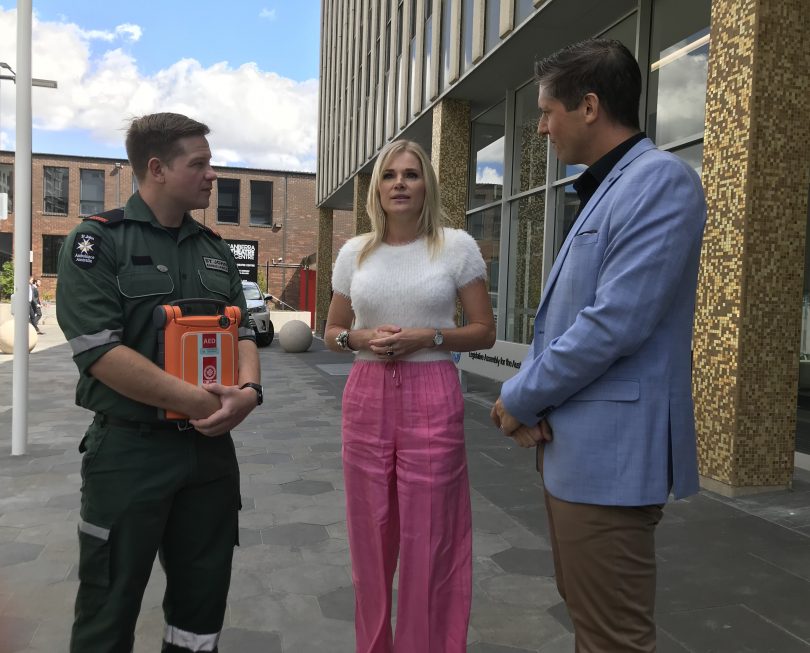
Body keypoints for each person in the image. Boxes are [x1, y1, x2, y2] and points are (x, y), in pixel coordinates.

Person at [490, 39, 707, 652]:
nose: (538, 128)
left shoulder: (659, 182)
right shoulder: (611, 187)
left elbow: (612, 324)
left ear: (588, 107)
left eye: (545, 112)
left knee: (613, 637)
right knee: (593, 625)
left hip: (611, 465)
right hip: (582, 455)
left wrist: (521, 396)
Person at [56, 112, 263, 653]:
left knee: (202, 604)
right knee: (108, 603)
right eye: (199, 163)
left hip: (210, 457)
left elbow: (244, 331)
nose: (212, 175)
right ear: (157, 169)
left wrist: (249, 394)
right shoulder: (97, 243)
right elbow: (99, 351)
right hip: (130, 453)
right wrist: (204, 402)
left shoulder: (215, 249)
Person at [325, 139, 496, 652]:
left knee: (432, 536)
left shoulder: (456, 246)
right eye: (390, 175)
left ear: (427, 186)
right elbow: (332, 329)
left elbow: (484, 331)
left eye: (411, 174)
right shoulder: (354, 252)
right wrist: (358, 338)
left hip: (432, 389)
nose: (400, 183)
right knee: (370, 533)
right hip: (367, 391)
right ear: (377, 187)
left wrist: (430, 336)